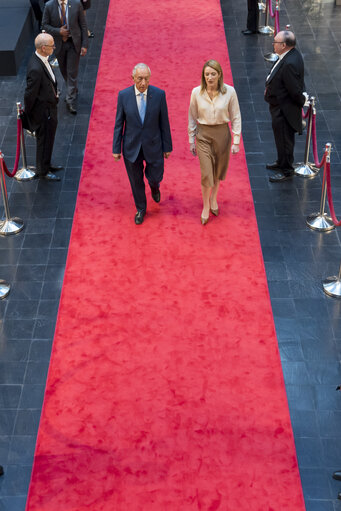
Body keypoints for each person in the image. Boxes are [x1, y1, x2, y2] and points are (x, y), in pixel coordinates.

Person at [112, 63, 172, 225]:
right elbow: (119, 123)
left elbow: (164, 122)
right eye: (140, 79)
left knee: (155, 176)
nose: (143, 82)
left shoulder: (159, 95)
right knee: (136, 181)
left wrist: (167, 147)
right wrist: (116, 148)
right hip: (132, 148)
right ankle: (141, 209)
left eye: (146, 79)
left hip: (154, 145)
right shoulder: (123, 96)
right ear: (132, 78)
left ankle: (154, 186)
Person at [188, 59, 241, 225]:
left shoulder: (229, 92)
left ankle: (214, 199)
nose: (209, 77)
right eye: (207, 74)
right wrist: (191, 139)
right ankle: (205, 206)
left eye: (213, 74)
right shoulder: (196, 92)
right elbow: (191, 116)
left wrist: (236, 140)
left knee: (218, 170)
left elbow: (236, 116)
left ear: (219, 75)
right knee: (206, 173)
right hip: (203, 135)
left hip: (222, 135)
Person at [264, 30, 306, 182]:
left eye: (275, 42)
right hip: (279, 105)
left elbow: (294, 90)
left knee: (285, 139)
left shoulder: (289, 63)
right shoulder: (291, 55)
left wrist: (301, 101)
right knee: (280, 138)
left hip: (283, 109)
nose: (273, 44)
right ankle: (281, 161)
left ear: (283, 45)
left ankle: (287, 170)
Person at [24, 33, 62, 181]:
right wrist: (31, 115)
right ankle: (42, 170)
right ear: (44, 48)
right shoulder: (35, 68)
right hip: (43, 112)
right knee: (44, 140)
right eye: (52, 45)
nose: (54, 47)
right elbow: (30, 95)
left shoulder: (42, 60)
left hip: (50, 108)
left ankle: (46, 163)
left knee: (49, 139)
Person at [42, 0, 88, 115]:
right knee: (64, 71)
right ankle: (72, 89)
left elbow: (83, 25)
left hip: (74, 44)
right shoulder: (49, 6)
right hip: (58, 45)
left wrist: (84, 45)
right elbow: (44, 25)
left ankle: (70, 100)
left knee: (72, 72)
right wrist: (59, 31)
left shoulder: (77, 4)